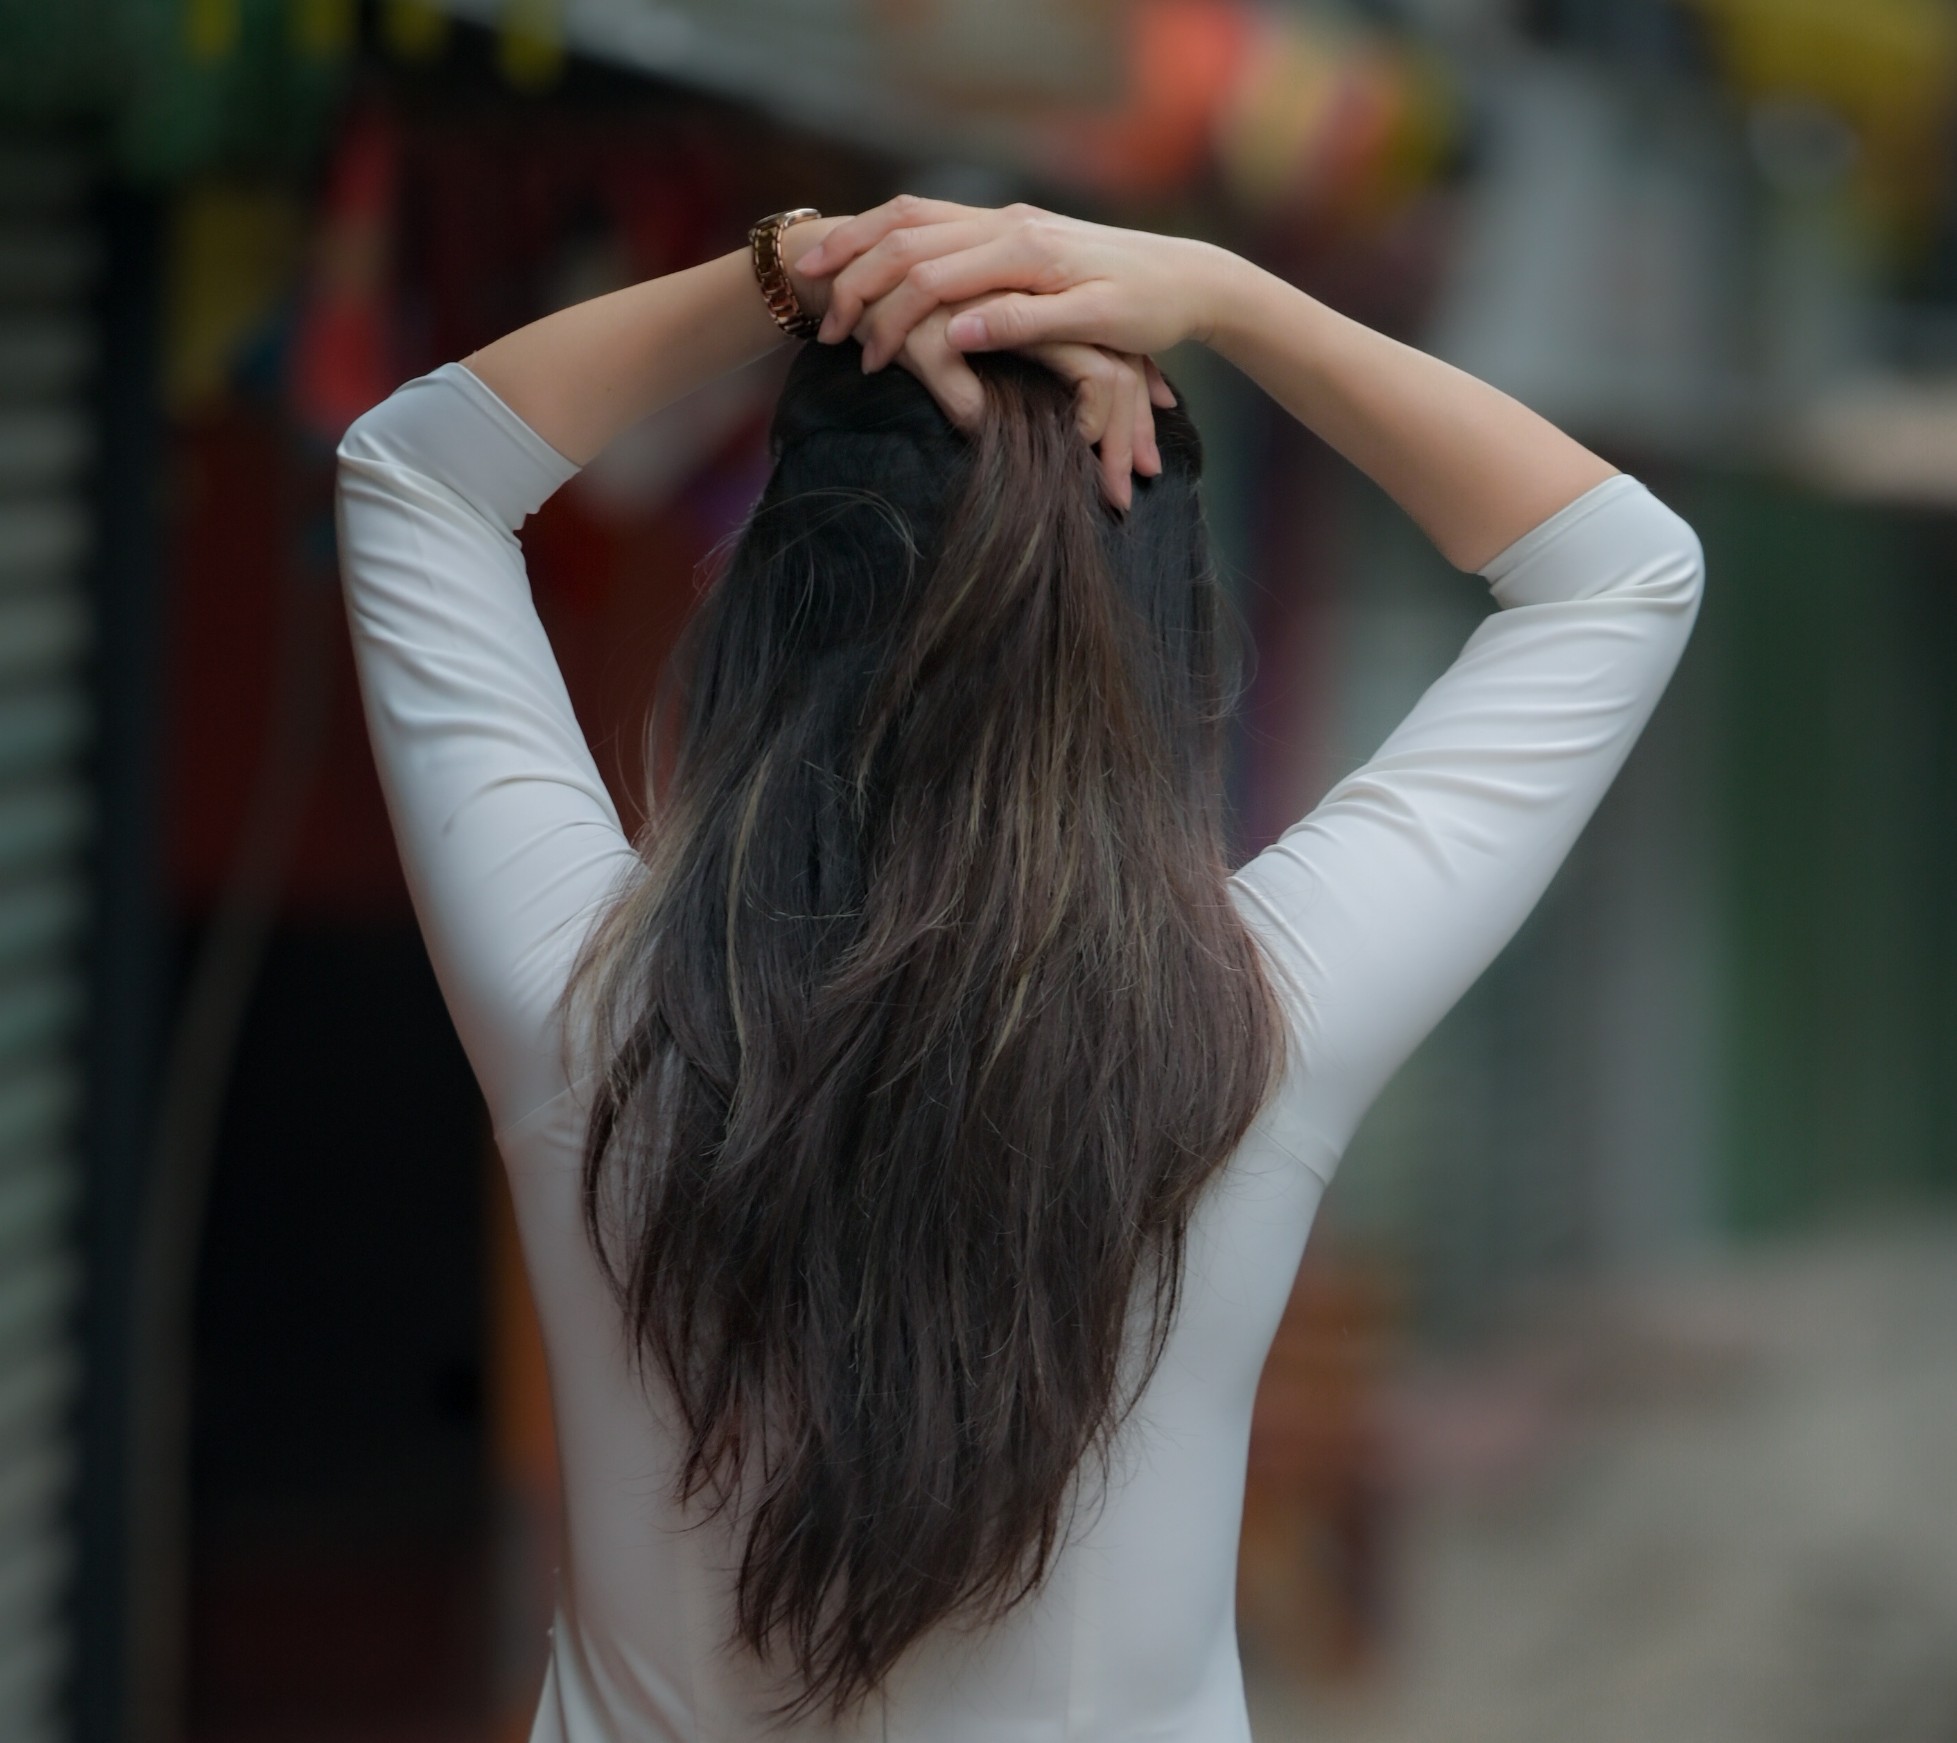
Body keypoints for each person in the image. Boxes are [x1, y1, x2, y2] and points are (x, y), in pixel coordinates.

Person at [334, 197, 1704, 1741]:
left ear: (761, 620)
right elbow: (1612, 570)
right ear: (1157, 661)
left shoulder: (594, 1011)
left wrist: (810, 269)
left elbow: (415, 474)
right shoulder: (1254, 1030)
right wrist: (1230, 295)